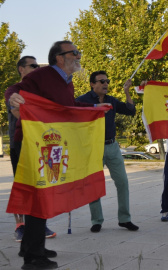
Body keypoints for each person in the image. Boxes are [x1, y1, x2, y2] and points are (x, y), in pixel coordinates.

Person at [6, 40, 103, 270]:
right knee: (39, 196)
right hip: (32, 144)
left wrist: (92, 109)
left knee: (41, 196)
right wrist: (12, 99)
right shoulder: (45, 74)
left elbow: (66, 107)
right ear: (60, 57)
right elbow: (14, 89)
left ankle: (30, 246)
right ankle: (34, 258)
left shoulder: (66, 82)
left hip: (51, 145)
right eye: (75, 53)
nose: (79, 56)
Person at [76, 71, 139, 233]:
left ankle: (125, 219)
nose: (106, 84)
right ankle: (96, 220)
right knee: (93, 184)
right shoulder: (82, 100)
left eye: (107, 81)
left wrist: (126, 91)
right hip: (93, 147)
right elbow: (71, 114)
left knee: (123, 182)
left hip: (112, 146)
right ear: (92, 84)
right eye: (102, 81)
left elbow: (131, 111)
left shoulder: (111, 100)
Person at [5, 56, 57, 244]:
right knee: (22, 185)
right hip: (19, 145)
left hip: (38, 145)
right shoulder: (14, 90)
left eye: (38, 66)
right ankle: (20, 226)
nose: (37, 68)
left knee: (39, 184)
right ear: (21, 69)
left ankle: (38, 223)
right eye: (33, 65)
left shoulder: (41, 92)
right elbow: (14, 108)